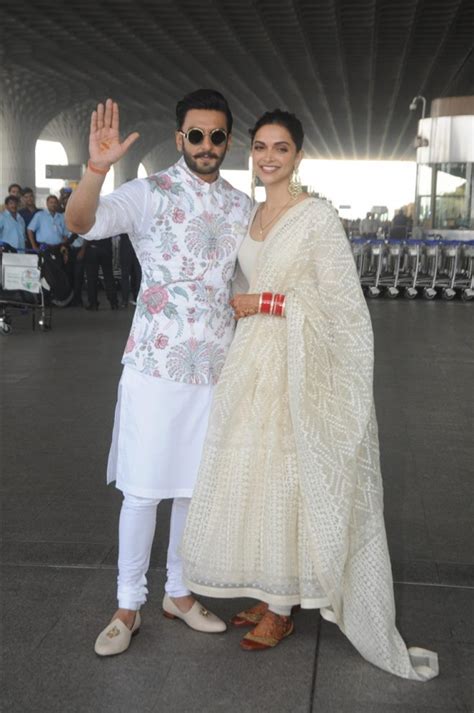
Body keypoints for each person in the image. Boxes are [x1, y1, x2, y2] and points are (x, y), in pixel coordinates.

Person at [182, 110, 438, 682]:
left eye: (281, 147)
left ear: (299, 156)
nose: (269, 156)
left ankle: (280, 610)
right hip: (248, 364)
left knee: (286, 477)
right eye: (260, 147)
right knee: (251, 472)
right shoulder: (252, 214)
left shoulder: (316, 217)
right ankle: (272, 587)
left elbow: (342, 308)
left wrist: (267, 304)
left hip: (294, 366)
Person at [65, 91, 251, 656]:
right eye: (196, 135)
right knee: (144, 490)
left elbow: (246, 280)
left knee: (194, 490)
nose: (206, 146)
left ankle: (179, 591)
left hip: (216, 367)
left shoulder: (241, 207)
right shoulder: (148, 194)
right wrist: (97, 169)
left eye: (217, 136)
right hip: (153, 362)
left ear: (226, 142)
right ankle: (128, 604)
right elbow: (82, 222)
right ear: (180, 139)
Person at [83, 236, 118, 310]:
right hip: (106, 249)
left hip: (93, 248)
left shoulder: (91, 223)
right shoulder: (108, 223)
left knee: (92, 278)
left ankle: (93, 303)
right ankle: (113, 302)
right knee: (109, 277)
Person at [119, 233, 141, 307]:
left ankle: (125, 301)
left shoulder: (123, 222)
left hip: (125, 246)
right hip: (138, 247)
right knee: (138, 275)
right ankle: (137, 298)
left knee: (125, 275)